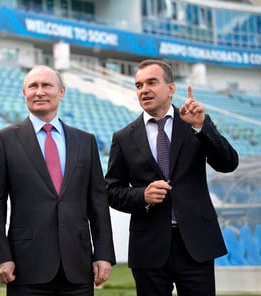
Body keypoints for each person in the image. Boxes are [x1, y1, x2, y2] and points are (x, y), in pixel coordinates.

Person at [105, 59, 239, 296]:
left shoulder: (195, 122)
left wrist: (201, 128)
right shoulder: (123, 137)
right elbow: (111, 191)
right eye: (138, 85)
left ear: (171, 89)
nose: (144, 89)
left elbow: (228, 163)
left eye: (151, 82)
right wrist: (142, 195)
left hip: (196, 244)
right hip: (149, 247)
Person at [0, 65, 116, 295]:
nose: (39, 91)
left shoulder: (85, 141)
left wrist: (104, 254)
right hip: (25, 268)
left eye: (46, 85)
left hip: (78, 267)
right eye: (32, 86)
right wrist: (0, 256)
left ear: (62, 92)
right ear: (24, 92)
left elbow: (97, 202)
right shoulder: (4, 140)